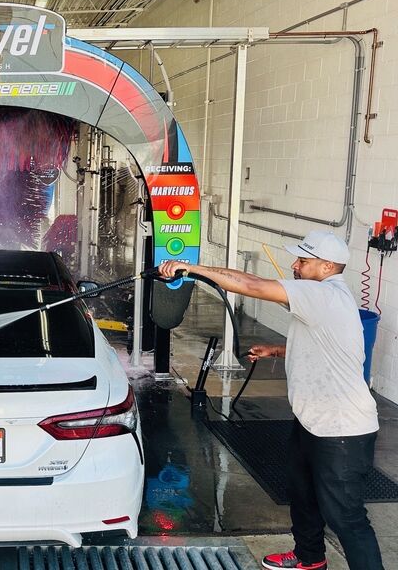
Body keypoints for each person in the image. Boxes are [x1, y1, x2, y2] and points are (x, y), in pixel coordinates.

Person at [159, 230, 382, 570]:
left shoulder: (323, 294)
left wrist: (192, 268)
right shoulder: (324, 298)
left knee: (346, 517)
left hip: (342, 430)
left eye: (303, 261)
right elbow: (326, 344)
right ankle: (309, 558)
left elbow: (252, 284)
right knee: (303, 497)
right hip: (313, 421)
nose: (295, 266)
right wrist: (276, 350)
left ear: (326, 267)